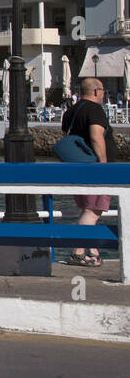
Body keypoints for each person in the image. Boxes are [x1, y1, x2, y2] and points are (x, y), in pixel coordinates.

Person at [60, 78, 115, 266]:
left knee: (88, 210)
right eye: (102, 91)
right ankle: (78, 252)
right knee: (93, 210)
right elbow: (96, 136)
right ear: (96, 91)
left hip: (78, 168)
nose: (102, 95)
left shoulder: (71, 111)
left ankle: (91, 250)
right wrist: (104, 164)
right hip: (94, 169)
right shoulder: (94, 109)